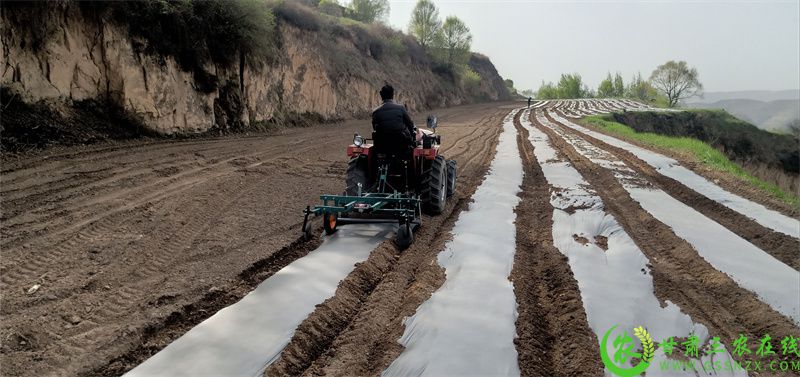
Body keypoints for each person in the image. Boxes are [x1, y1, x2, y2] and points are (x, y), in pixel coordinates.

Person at [371, 84, 416, 155]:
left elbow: (375, 128)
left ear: (381, 96)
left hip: (382, 146)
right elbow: (410, 125)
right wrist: (412, 135)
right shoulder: (401, 108)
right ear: (392, 95)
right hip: (401, 145)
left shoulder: (376, 112)